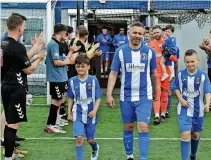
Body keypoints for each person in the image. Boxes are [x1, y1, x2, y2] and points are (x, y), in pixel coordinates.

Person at [106, 22, 158, 160]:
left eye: (140, 33)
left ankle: (143, 158)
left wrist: (156, 91)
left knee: (143, 127)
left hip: (144, 95)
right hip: (126, 96)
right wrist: (109, 94)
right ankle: (129, 156)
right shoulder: (121, 51)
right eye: (134, 33)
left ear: (143, 35)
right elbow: (113, 73)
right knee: (128, 126)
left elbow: (153, 73)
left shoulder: (149, 52)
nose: (137, 36)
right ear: (129, 33)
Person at [1, 13, 45, 160]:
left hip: (6, 86)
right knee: (13, 124)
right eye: (24, 27)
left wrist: (34, 49)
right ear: (19, 28)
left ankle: (10, 154)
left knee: (9, 121)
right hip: (16, 88)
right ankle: (9, 157)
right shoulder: (17, 46)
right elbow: (29, 69)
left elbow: (18, 58)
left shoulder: (3, 44)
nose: (24, 29)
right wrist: (39, 58)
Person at [174, 49, 211, 160]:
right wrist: (181, 99)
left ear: (198, 61)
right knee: (185, 135)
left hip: (198, 110)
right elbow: (176, 87)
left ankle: (193, 155)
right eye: (187, 62)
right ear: (184, 62)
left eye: (192, 61)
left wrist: (208, 103)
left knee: (195, 134)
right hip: (183, 109)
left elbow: (207, 91)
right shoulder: (180, 74)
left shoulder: (203, 75)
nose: (190, 64)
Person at [44, 24, 78, 133]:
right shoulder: (53, 44)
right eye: (66, 33)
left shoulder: (58, 44)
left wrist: (71, 54)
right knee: (56, 101)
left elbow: (62, 59)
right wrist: (70, 61)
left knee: (58, 101)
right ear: (62, 32)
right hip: (56, 77)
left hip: (61, 77)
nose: (67, 35)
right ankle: (50, 125)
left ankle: (54, 123)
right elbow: (57, 62)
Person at [67, 54, 101, 160]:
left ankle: (95, 148)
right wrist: (69, 112)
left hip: (91, 113)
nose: (80, 68)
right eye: (78, 66)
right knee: (79, 138)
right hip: (78, 111)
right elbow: (71, 98)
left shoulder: (93, 80)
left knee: (90, 140)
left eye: (83, 66)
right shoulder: (72, 81)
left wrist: (95, 110)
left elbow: (98, 98)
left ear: (88, 67)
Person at [148, 25, 178, 125]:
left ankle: (163, 114)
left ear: (162, 32)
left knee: (165, 94)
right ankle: (156, 115)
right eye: (154, 32)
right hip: (155, 74)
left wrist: (169, 55)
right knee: (157, 94)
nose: (156, 34)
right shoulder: (149, 45)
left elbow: (175, 59)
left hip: (166, 74)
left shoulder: (168, 43)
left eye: (158, 32)